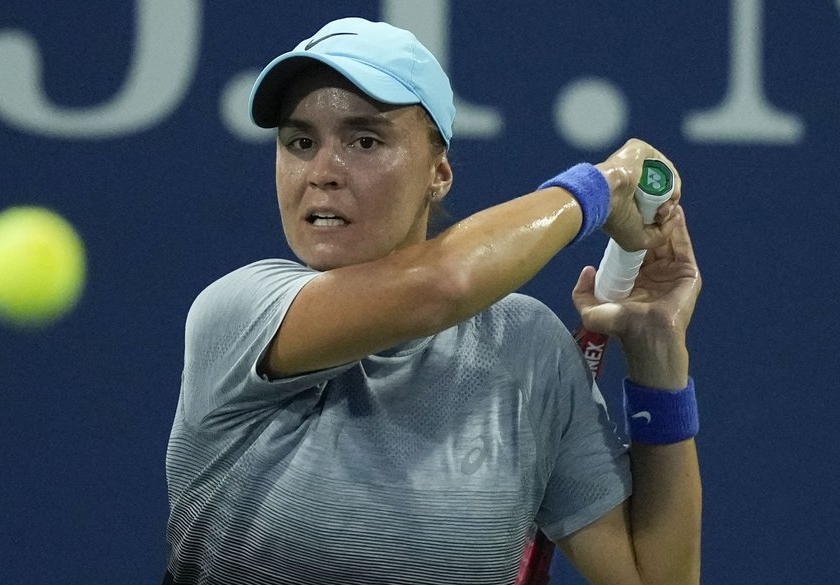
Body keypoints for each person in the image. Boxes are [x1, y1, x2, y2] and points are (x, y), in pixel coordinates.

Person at [163, 17, 702, 585]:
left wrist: (657, 358)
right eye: (301, 143)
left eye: (364, 141)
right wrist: (602, 186)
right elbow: (442, 285)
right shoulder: (239, 312)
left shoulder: (526, 347)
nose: (322, 173)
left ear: (437, 174)